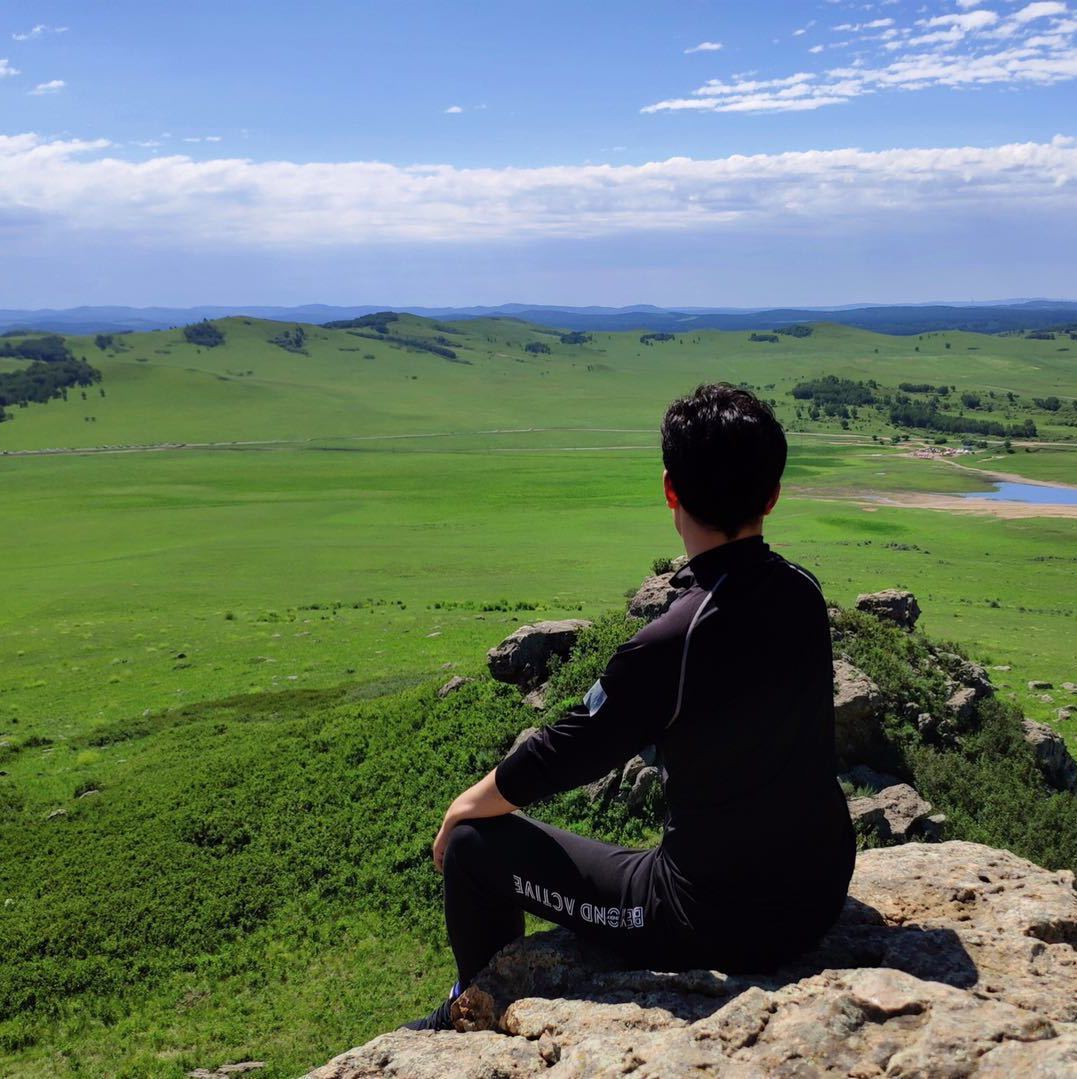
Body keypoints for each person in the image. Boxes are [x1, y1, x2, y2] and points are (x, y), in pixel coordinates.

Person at [402, 382, 856, 1032]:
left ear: (670, 490)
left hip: (711, 918)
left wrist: (467, 801)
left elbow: (573, 745)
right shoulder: (802, 591)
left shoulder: (676, 636)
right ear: (772, 494)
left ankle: (472, 1006)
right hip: (820, 892)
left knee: (475, 845)